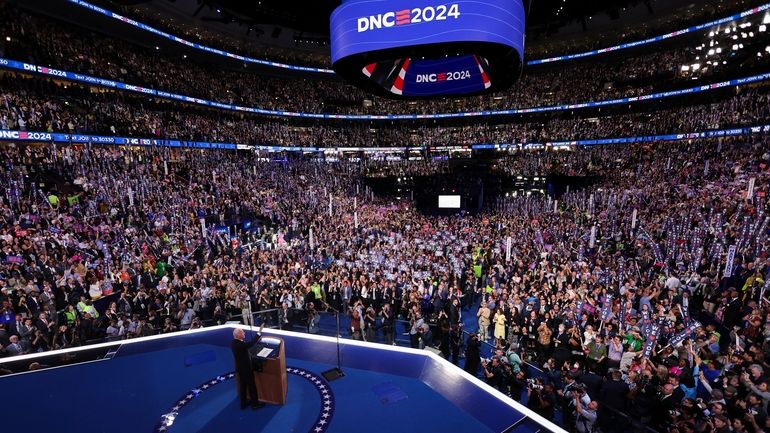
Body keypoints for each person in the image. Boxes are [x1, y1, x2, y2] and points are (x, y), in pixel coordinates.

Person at [231, 325, 265, 410]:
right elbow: (251, 343)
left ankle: (243, 403)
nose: (244, 333)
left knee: (243, 386)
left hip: (240, 368)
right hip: (246, 369)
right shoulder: (240, 344)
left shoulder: (233, 343)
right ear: (238, 335)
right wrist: (259, 332)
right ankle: (255, 404)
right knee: (252, 386)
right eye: (242, 332)